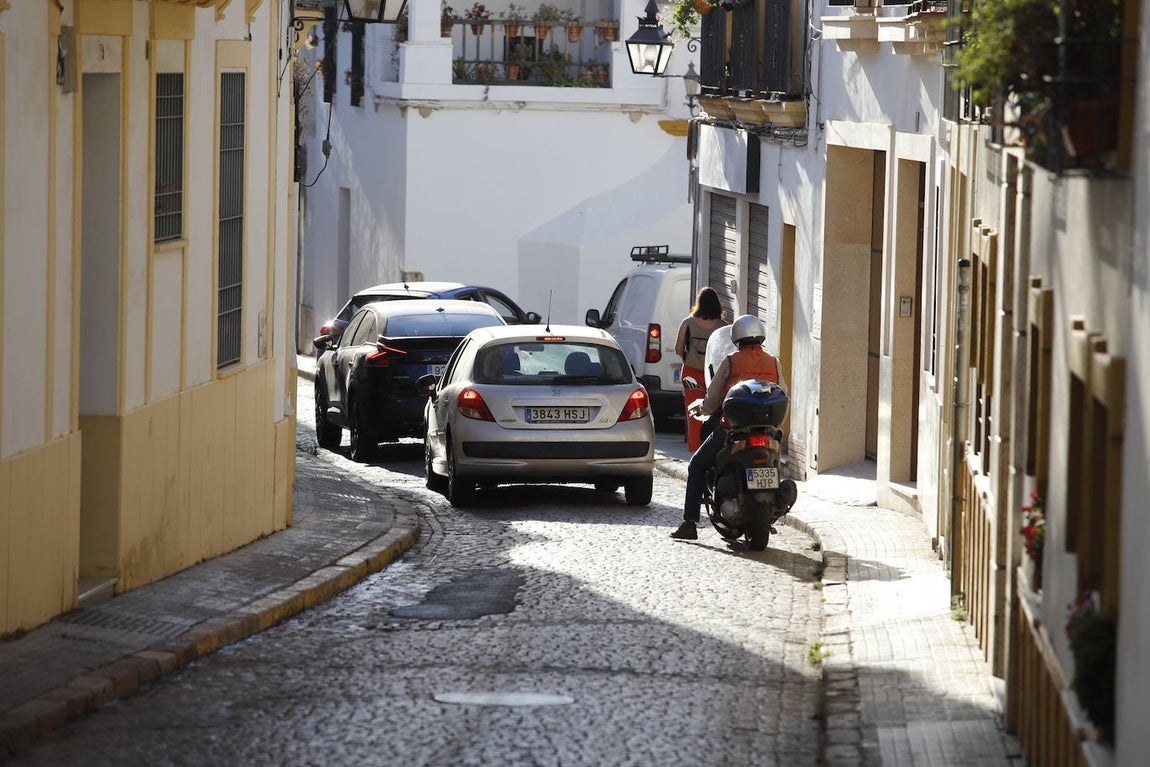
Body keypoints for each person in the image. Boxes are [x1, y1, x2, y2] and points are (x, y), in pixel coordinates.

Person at [671, 314, 785, 540]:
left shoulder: (731, 361)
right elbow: (783, 392)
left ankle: (690, 523)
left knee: (696, 465)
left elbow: (713, 399)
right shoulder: (773, 362)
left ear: (736, 337)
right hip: (767, 431)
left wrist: (702, 408)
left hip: (732, 430)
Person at [674, 287, 728, 420]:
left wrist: (690, 359)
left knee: (693, 414)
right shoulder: (723, 327)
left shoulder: (687, 323)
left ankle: (694, 441)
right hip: (715, 376)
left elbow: (678, 349)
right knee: (714, 414)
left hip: (691, 374)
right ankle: (710, 440)